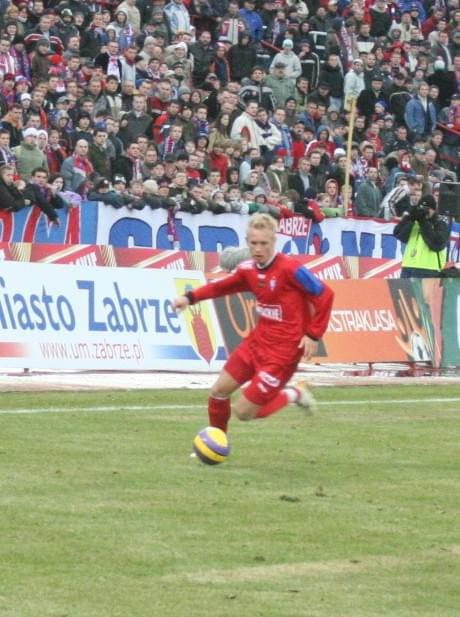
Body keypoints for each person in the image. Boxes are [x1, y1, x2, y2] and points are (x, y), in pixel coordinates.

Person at [172, 213, 334, 432]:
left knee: (244, 412)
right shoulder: (248, 269)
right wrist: (189, 298)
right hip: (256, 344)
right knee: (218, 392)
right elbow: (222, 286)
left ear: (274, 242)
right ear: (247, 242)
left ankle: (293, 393)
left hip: (282, 355)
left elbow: (325, 294)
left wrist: (313, 334)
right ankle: (217, 442)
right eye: (253, 243)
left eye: (264, 243)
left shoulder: (290, 269)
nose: (258, 249)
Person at [393, 194, 449, 278]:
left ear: (434, 210)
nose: (424, 211)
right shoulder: (414, 221)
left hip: (430, 269)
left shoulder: (440, 223)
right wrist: (410, 218)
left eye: (427, 209)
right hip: (408, 266)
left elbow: (437, 243)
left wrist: (423, 222)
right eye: (421, 208)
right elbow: (399, 234)